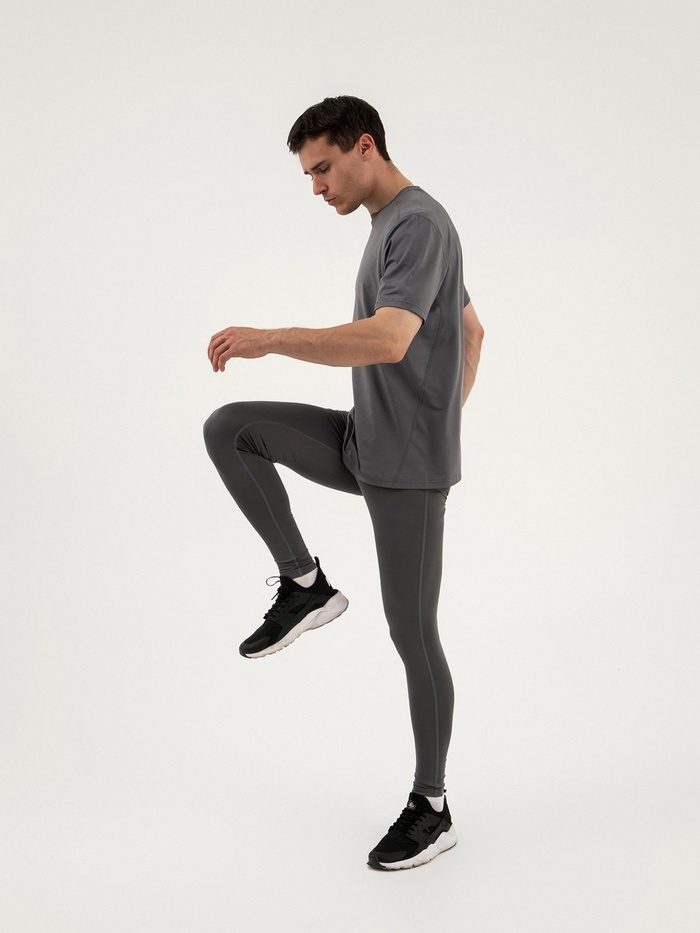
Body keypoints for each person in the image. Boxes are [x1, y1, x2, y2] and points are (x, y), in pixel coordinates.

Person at [203, 96, 484, 871]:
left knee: (412, 633)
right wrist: (435, 414)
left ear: (366, 147)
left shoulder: (419, 223)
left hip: (407, 472)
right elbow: (471, 330)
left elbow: (391, 340)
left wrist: (270, 338)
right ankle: (306, 585)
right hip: (367, 440)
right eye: (308, 175)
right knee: (231, 428)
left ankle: (432, 806)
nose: (317, 186)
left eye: (323, 168)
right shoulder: (391, 225)